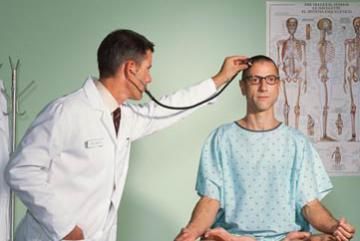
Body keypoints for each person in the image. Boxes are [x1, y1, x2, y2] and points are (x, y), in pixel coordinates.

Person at [5, 29, 249, 241]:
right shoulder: (67, 111)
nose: (149, 78)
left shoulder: (125, 117)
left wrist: (220, 79)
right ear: (130, 69)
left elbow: (167, 109)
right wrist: (65, 227)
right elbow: (21, 170)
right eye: (148, 69)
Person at [174, 55, 356, 241]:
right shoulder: (221, 138)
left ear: (278, 86)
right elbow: (210, 199)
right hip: (232, 237)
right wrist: (192, 231)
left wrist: (335, 227)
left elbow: (310, 204)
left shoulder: (297, 142)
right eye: (254, 80)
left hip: (288, 238)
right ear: (242, 87)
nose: (263, 87)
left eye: (270, 79)